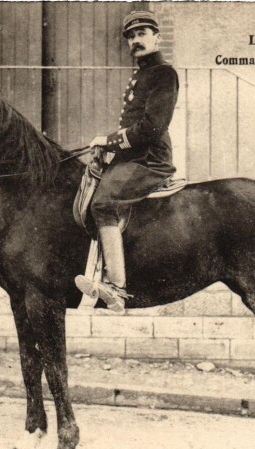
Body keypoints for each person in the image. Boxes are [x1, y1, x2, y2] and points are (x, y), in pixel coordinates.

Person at [75, 10, 180, 312]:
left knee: (102, 203)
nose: (136, 40)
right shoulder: (141, 74)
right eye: (131, 36)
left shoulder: (163, 74)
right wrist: (108, 151)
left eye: (142, 34)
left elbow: (152, 128)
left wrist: (109, 141)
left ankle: (116, 287)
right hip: (133, 157)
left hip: (151, 161)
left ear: (157, 37)